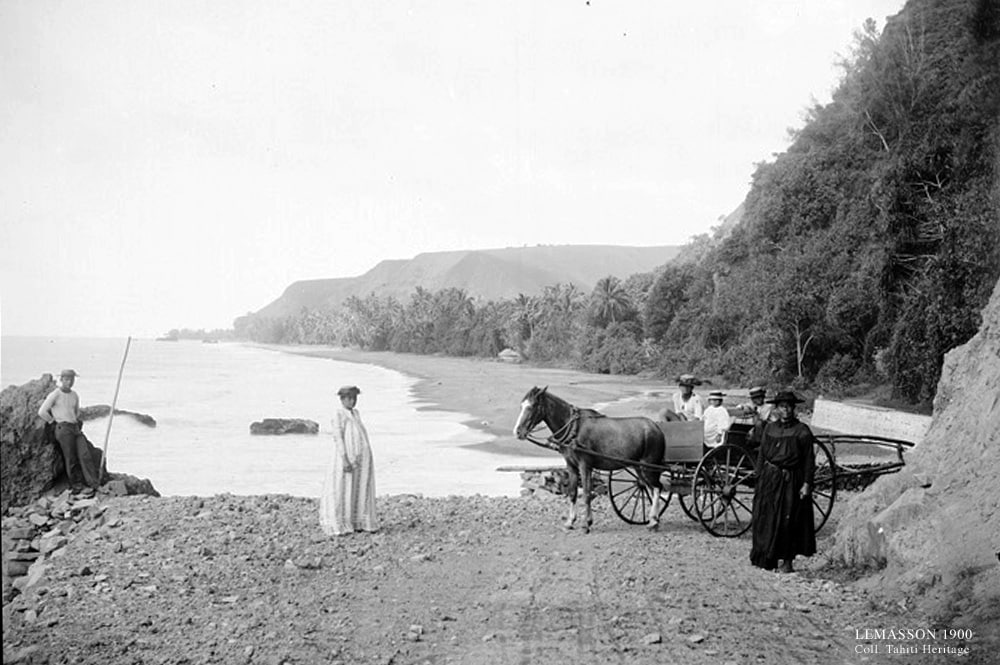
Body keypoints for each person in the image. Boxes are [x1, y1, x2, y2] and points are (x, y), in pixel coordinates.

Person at [749, 390, 816, 573]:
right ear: (776, 409)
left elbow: (809, 460)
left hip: (791, 480)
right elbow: (762, 453)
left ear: (793, 408)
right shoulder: (770, 429)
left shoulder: (802, 431)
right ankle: (766, 559)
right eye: (782, 407)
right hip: (770, 479)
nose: (785, 410)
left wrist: (806, 484)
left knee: (788, 521)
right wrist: (760, 474)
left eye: (789, 407)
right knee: (766, 518)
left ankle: (787, 561)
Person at [319, 385, 378, 536]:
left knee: (359, 488)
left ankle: (358, 521)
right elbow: (338, 437)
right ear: (342, 399)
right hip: (346, 456)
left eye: (354, 398)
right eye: (349, 398)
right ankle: (341, 523)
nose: (352, 401)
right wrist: (344, 458)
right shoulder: (339, 414)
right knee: (343, 488)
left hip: (361, 458)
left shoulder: (356, 413)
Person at [37, 369, 100, 494]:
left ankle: (93, 483)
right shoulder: (56, 394)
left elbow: (76, 411)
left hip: (75, 428)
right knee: (70, 458)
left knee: (85, 454)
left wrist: (74, 420)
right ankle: (76, 486)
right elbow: (42, 411)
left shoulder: (74, 395)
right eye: (66, 379)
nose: (69, 382)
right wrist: (53, 421)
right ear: (61, 380)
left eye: (71, 379)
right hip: (63, 428)